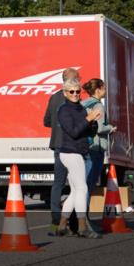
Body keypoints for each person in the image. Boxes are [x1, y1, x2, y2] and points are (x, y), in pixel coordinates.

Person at [53, 78, 103, 238]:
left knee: (75, 191)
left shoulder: (80, 108)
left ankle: (62, 226)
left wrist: (93, 123)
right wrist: (88, 119)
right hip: (70, 152)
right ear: (65, 93)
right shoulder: (64, 110)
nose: (75, 94)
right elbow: (73, 132)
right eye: (71, 91)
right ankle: (82, 227)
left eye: (77, 91)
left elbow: (87, 131)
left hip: (80, 152)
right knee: (82, 189)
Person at [45, 67, 79, 233]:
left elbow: (46, 121)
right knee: (76, 184)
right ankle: (74, 220)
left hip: (57, 145)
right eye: (77, 78)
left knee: (58, 183)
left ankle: (56, 217)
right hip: (71, 146)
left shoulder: (53, 97)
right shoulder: (73, 98)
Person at [81, 78, 116, 226]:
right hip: (96, 147)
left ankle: (79, 217)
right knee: (89, 184)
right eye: (104, 88)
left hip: (86, 146)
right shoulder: (98, 106)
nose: (106, 90)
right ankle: (84, 219)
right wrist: (111, 128)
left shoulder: (84, 104)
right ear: (98, 90)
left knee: (83, 183)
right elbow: (100, 128)